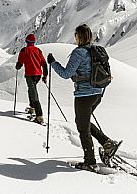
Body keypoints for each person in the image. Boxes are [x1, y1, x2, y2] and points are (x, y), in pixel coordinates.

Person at [47, 24, 118, 172]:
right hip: (98, 93)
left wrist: (53, 63)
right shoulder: (97, 50)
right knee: (82, 122)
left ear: (78, 36)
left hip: (84, 95)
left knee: (82, 127)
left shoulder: (78, 53)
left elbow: (66, 74)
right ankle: (107, 143)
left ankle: (90, 162)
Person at [15, 33, 48, 124]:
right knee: (31, 89)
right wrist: (45, 76)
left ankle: (39, 116)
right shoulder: (38, 50)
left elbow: (20, 63)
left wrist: (18, 66)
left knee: (33, 92)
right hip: (38, 75)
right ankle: (32, 107)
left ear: (26, 41)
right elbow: (44, 64)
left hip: (29, 74)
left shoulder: (24, 50)